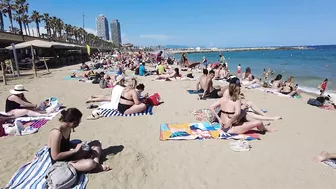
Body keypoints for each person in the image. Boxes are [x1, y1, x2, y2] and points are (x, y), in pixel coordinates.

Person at [48, 108, 111, 172]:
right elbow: (55, 156)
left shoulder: (68, 127)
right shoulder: (57, 133)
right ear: (73, 122)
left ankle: (96, 164)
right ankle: (96, 165)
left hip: (69, 155)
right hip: (61, 163)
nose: (79, 123)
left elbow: (65, 144)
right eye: (78, 121)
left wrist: (77, 145)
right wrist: (75, 150)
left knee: (96, 143)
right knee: (90, 163)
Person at [209, 78, 275, 134]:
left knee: (243, 113)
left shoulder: (223, 99)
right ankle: (264, 129)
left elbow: (211, 107)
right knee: (259, 122)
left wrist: (219, 119)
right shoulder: (236, 101)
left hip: (223, 124)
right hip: (230, 128)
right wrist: (230, 122)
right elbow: (237, 113)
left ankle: (264, 124)